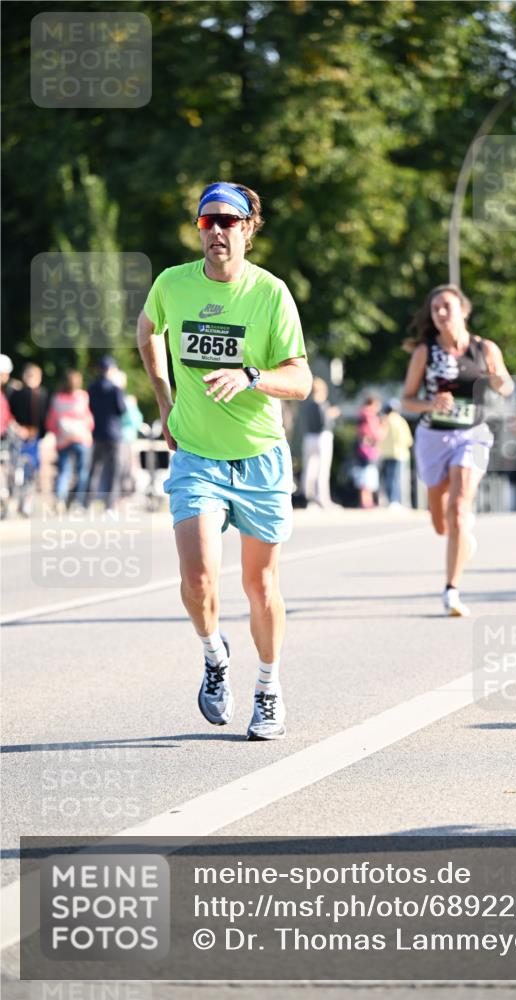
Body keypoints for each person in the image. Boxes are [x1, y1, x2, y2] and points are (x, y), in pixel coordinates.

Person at [137, 181, 311, 740]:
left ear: (248, 229)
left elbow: (302, 379)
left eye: (229, 221)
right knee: (198, 577)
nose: (217, 230)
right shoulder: (172, 285)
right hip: (198, 456)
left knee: (260, 586)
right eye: (208, 220)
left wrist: (252, 376)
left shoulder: (271, 294)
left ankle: (267, 687)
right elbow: (147, 332)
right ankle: (214, 656)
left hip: (259, 458)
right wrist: (165, 400)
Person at [401, 284, 514, 616]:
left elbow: (506, 385)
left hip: (473, 435)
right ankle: (460, 535)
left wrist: (497, 380)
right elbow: (406, 399)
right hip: (433, 438)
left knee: (460, 508)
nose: (440, 313)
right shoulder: (425, 352)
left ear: (464, 310)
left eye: (447, 306)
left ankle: (451, 590)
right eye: (435, 308)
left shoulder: (484, 349)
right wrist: (430, 403)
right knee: (441, 522)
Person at [45, 370, 94, 507]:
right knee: (82, 472)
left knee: (64, 471)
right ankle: (78, 501)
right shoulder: (83, 397)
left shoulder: (57, 398)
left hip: (63, 440)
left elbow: (51, 421)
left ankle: (60, 499)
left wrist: (58, 433)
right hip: (81, 439)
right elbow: (89, 419)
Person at [8, 362, 50, 515]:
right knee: (23, 470)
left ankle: (24, 501)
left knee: (27, 470)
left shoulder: (18, 393)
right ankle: (22, 501)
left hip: (29, 435)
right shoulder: (29, 393)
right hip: (24, 435)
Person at [85, 356, 126, 510]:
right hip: (114, 434)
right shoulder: (115, 389)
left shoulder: (92, 387)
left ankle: (87, 502)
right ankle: (109, 504)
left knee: (94, 469)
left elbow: (91, 408)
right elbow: (121, 409)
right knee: (113, 471)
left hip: (97, 432)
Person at [300, 376, 339, 507]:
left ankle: (309, 498)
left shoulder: (308, 404)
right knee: (323, 469)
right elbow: (323, 422)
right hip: (322, 437)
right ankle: (322, 498)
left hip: (309, 437)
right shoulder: (323, 404)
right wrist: (331, 415)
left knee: (309, 469)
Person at [379, 398, 413, 508]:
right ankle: (396, 501)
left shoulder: (383, 420)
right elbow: (408, 439)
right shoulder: (400, 421)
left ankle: (390, 500)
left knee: (388, 478)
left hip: (385, 453)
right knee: (398, 479)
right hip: (399, 454)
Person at [353, 394, 383, 509]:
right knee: (367, 475)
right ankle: (366, 502)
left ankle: (366, 501)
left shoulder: (361, 415)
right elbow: (376, 434)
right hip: (369, 450)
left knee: (364, 475)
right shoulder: (370, 416)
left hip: (362, 450)